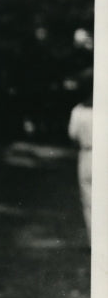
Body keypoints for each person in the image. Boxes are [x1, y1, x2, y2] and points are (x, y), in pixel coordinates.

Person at [68, 71, 93, 245]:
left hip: (87, 155)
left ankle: (95, 241)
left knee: (89, 200)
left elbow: (73, 135)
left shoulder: (78, 111)